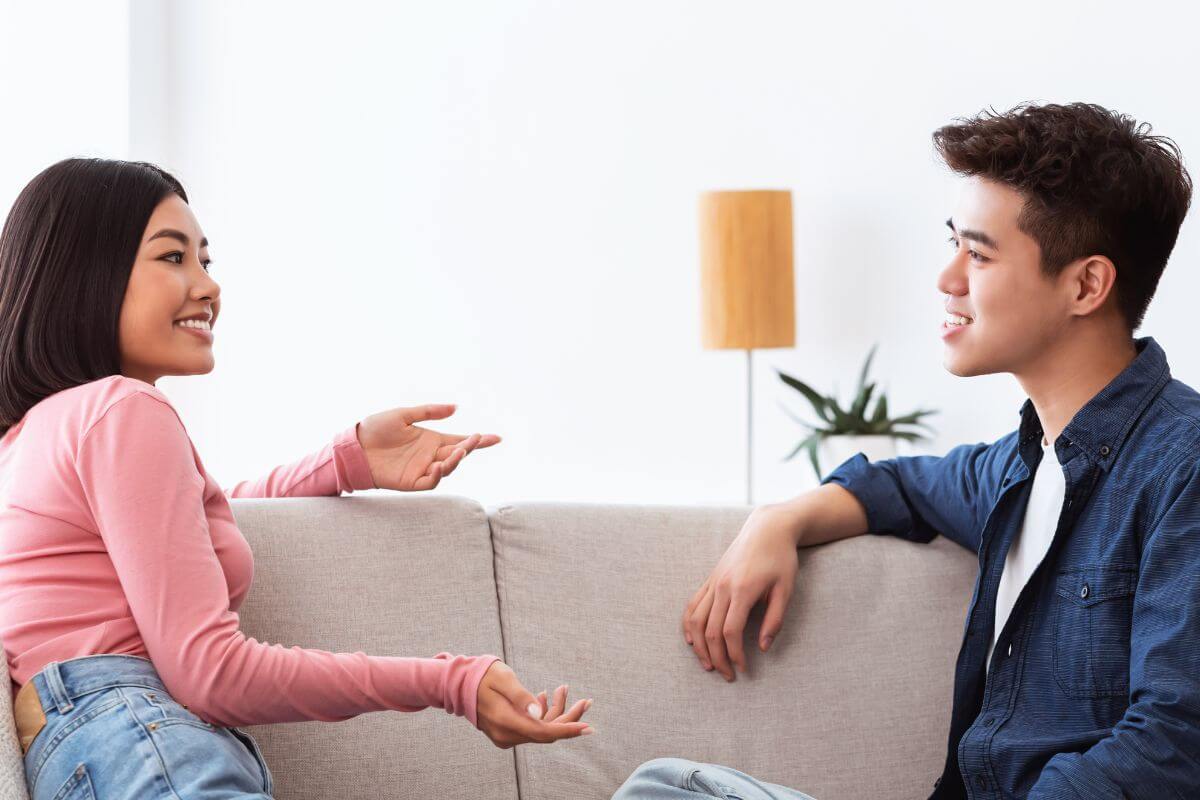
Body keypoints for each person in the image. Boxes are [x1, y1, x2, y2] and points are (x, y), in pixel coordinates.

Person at [616, 101, 1196, 799]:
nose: (947, 279)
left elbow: (1172, 743)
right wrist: (779, 521)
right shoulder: (1020, 467)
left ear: (1086, 284)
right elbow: (900, 486)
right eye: (953, 244)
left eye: (978, 253)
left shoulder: (1182, 466)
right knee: (665, 787)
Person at [0, 158, 593, 800]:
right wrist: (452, 682)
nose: (207, 287)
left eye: (206, 260)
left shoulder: (30, 438)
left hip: (99, 752)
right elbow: (211, 672)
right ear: (88, 272)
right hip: (148, 743)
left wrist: (345, 462)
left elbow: (185, 523)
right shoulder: (123, 410)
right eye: (173, 258)